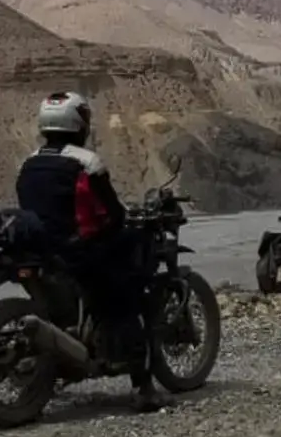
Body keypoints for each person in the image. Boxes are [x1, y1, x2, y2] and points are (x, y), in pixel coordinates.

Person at [13, 91, 171, 412]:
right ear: (78, 123)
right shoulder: (86, 162)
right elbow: (113, 213)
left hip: (41, 250)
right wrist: (123, 225)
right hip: (76, 253)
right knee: (127, 295)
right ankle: (143, 387)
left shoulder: (29, 163)